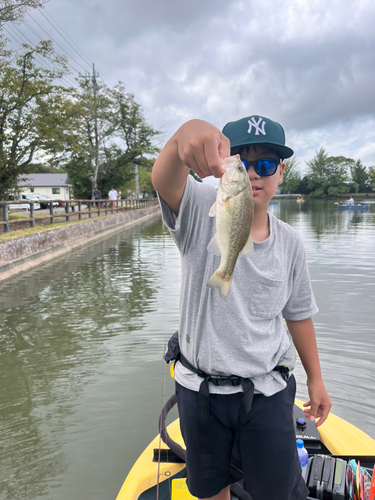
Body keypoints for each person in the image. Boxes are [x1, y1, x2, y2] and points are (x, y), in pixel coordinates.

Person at [152, 115, 332, 500]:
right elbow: (164, 181)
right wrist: (178, 143)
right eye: (240, 162)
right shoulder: (203, 207)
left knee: (277, 491)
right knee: (211, 489)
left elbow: (298, 313)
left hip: (266, 393)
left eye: (266, 165)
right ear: (221, 167)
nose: (253, 174)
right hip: (200, 392)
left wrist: (316, 380)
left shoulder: (290, 243)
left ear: (281, 172)